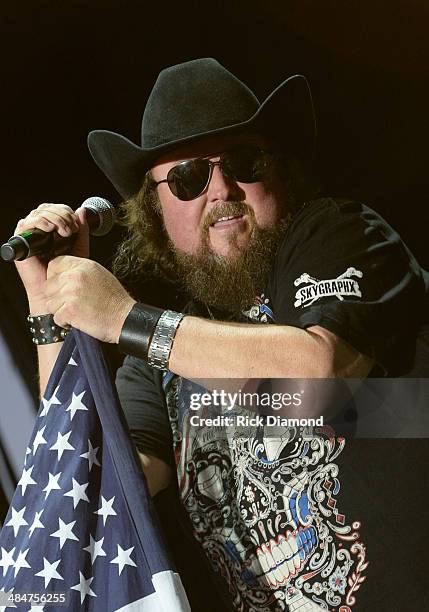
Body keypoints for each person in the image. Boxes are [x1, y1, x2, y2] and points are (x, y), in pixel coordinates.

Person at [14, 59, 428, 610]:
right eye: (188, 177)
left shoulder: (340, 233)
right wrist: (50, 316)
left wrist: (124, 318)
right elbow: (97, 485)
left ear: (280, 171)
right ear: (155, 211)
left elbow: (323, 377)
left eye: (243, 162)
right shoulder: (154, 365)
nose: (222, 189)